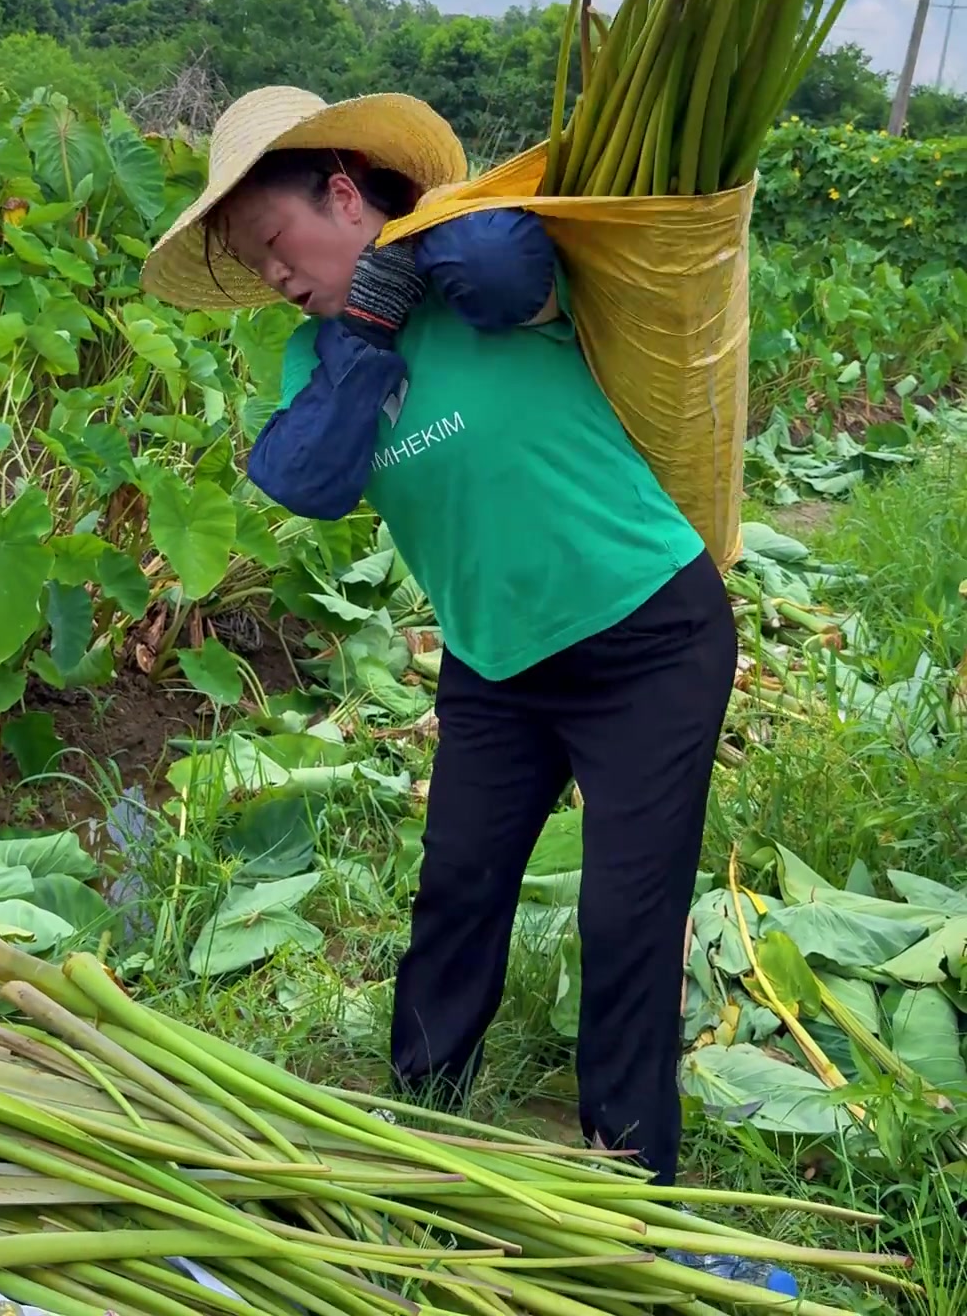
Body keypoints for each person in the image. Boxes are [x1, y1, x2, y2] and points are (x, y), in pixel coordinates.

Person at [143, 86, 797, 1293]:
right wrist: (363, 326)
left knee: (627, 917)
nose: (275, 277)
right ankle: (418, 1125)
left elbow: (507, 262)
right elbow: (306, 478)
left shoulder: (476, 269)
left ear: (345, 192)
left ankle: (631, 1191)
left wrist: (409, 256)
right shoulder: (319, 353)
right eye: (254, 264)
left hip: (649, 635)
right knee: (457, 887)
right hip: (498, 667)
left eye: (277, 242)